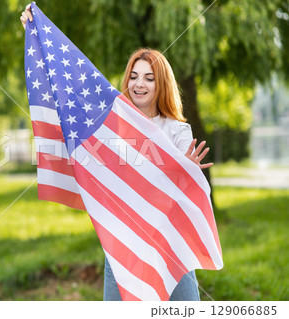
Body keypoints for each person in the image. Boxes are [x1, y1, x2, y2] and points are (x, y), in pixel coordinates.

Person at [20, 5, 213, 301]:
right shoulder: (112, 126)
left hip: (170, 247)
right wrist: (36, 37)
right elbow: (68, 87)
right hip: (124, 245)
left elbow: (185, 202)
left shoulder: (176, 130)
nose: (139, 84)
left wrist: (185, 174)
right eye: (134, 76)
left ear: (161, 83)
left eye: (149, 78)